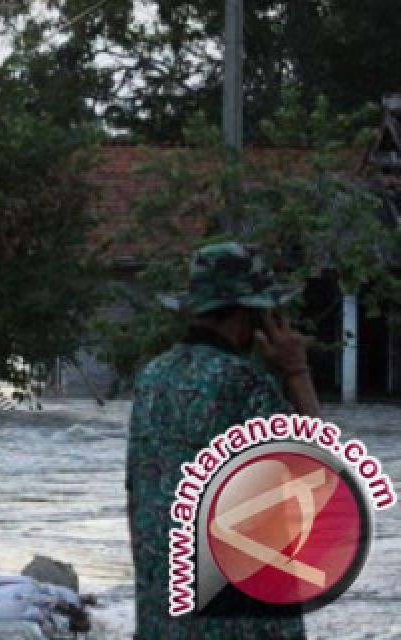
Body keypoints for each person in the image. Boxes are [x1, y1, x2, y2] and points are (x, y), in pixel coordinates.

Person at [126, 242, 319, 639]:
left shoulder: (153, 377)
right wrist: (296, 372)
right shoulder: (245, 383)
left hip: (164, 602)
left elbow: (135, 493)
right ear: (251, 315)